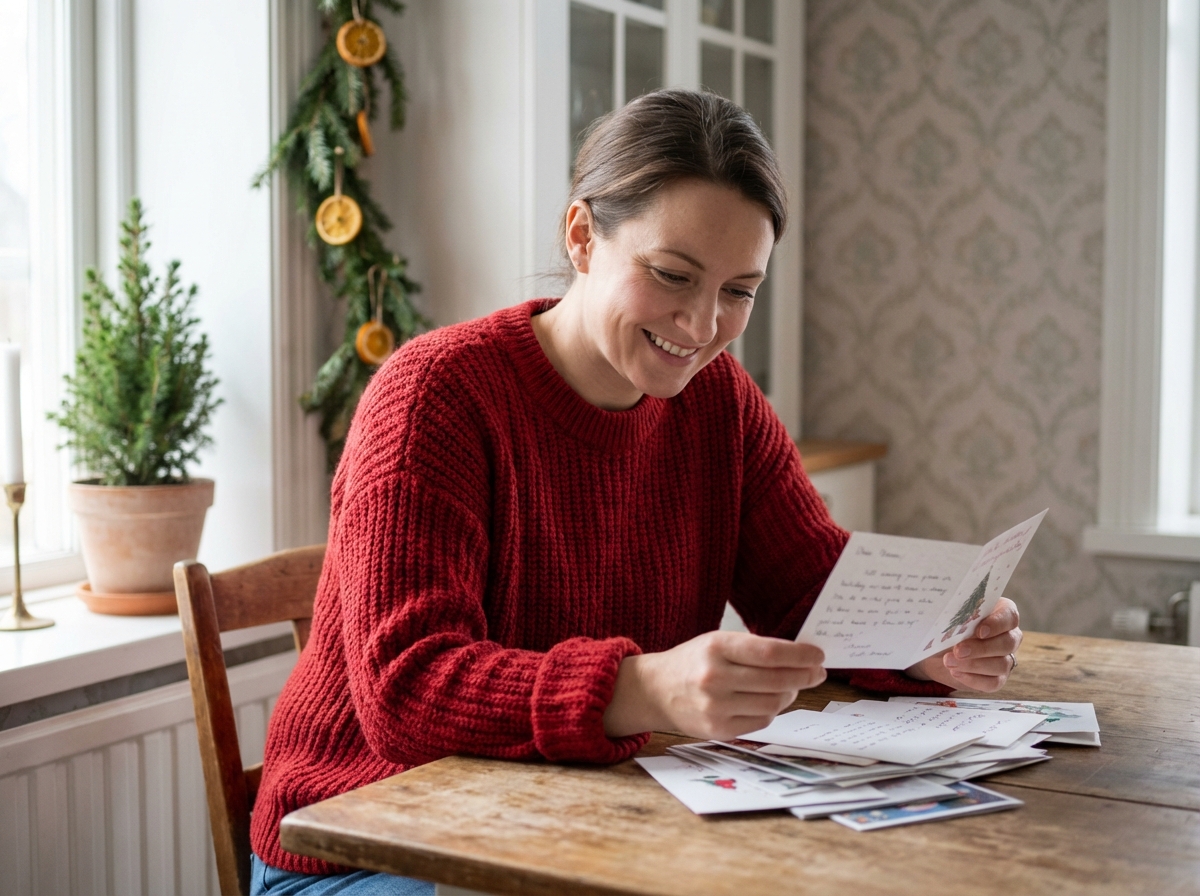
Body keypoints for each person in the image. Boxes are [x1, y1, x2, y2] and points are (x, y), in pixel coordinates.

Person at [249, 89, 1024, 895]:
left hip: (573, 825)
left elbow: (811, 594)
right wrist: (641, 688)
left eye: (739, 291)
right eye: (672, 275)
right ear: (582, 237)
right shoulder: (436, 396)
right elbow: (406, 692)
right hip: (364, 841)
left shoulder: (718, 400)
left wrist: (927, 642)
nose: (700, 324)